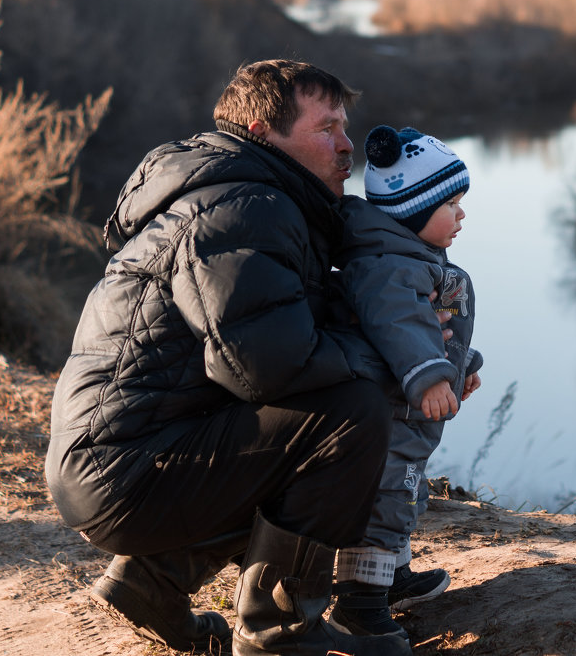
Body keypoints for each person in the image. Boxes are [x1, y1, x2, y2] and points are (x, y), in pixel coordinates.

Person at [45, 60, 413, 656]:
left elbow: (273, 334)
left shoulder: (250, 197)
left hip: (118, 460)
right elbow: (267, 366)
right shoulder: (247, 206)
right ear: (263, 131)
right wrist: (392, 365)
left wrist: (415, 346)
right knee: (352, 415)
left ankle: (154, 581)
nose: (347, 145)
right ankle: (278, 631)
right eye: (327, 128)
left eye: (346, 127)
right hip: (125, 470)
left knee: (315, 415)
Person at [328, 126, 483, 642]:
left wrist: (461, 365)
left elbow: (431, 326)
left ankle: (391, 578)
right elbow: (398, 325)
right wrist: (431, 376)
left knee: (404, 496)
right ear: (413, 210)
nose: (461, 215)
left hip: (409, 412)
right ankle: (358, 606)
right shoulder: (390, 267)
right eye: (451, 204)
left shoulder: (410, 255)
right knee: (385, 499)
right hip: (391, 413)